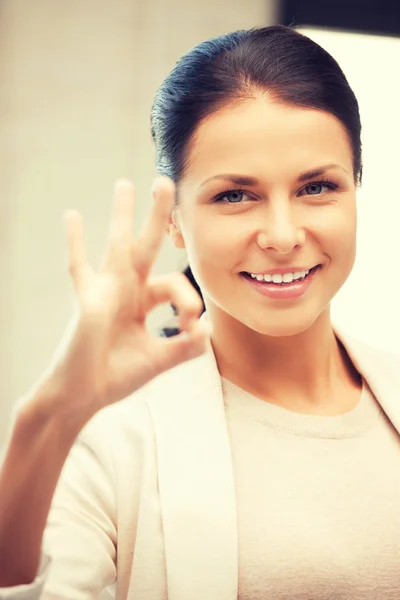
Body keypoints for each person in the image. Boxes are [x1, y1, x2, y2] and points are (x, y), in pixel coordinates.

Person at [1, 23, 400, 600]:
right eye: (234, 195)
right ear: (173, 220)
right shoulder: (110, 442)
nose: (284, 236)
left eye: (317, 187)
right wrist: (47, 416)